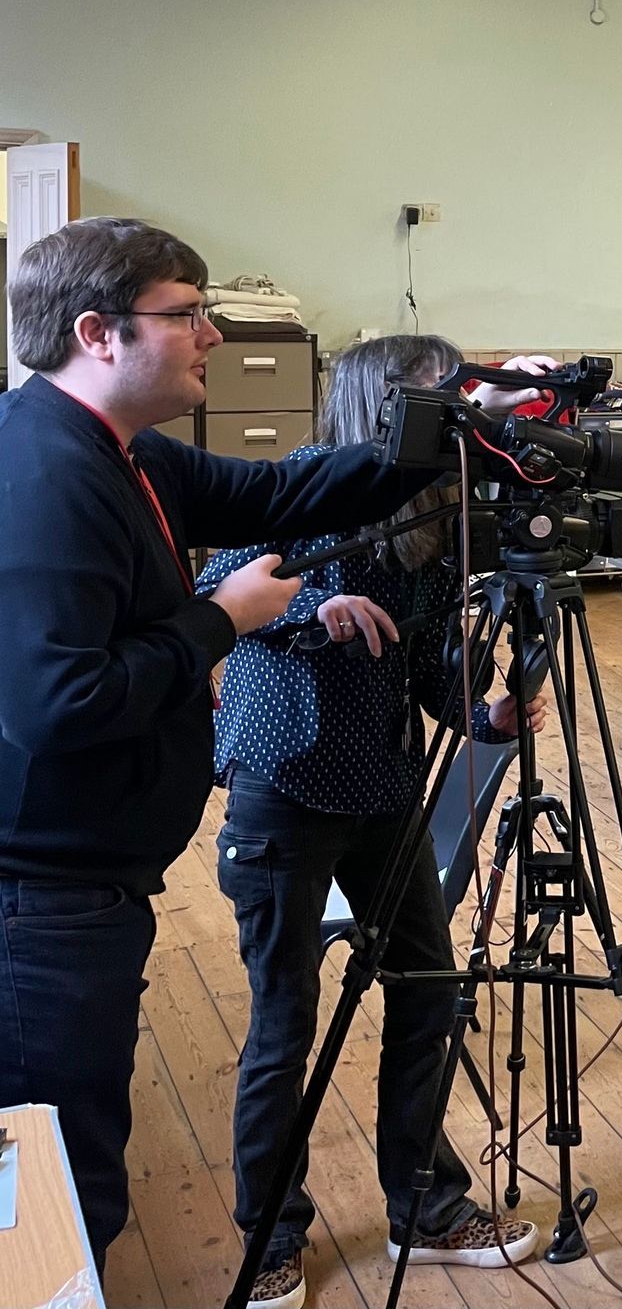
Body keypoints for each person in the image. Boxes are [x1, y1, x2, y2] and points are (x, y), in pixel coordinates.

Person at [0, 218, 440, 1273]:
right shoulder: (45, 475)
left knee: (77, 1159)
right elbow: (60, 701)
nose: (209, 332)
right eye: (186, 313)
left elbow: (285, 491)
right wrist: (222, 619)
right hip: (42, 897)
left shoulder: (125, 451)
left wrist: (439, 432)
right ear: (99, 331)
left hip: (93, 878)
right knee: (60, 1184)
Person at [197, 336, 556, 1309]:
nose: (461, 417)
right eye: (443, 399)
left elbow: (436, 675)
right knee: (286, 1020)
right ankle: (271, 1236)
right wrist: (320, 604)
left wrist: (484, 713)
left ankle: (428, 1207)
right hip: (286, 780)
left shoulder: (437, 518)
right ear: (387, 407)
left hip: (388, 782)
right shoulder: (296, 486)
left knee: (429, 992)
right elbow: (215, 585)